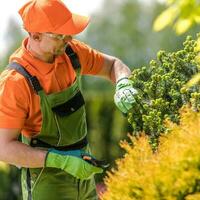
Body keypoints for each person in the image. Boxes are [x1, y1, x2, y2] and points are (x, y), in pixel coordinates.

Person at [0, 0, 138, 199]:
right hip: (46, 180)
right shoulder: (16, 82)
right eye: (60, 35)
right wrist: (61, 161)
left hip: (84, 169)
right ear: (35, 35)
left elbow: (113, 65)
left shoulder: (71, 52)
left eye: (69, 33)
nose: (69, 38)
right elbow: (4, 148)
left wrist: (124, 82)